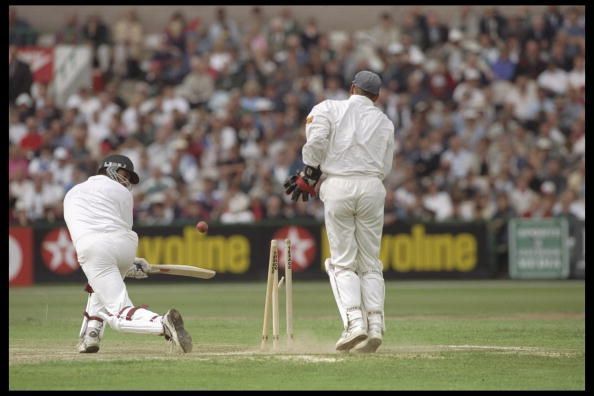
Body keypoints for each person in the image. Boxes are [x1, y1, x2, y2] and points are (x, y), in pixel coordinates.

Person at [284, 70, 395, 353]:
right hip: (372, 186)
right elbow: (385, 167)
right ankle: (376, 325)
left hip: (339, 187)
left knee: (342, 263)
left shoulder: (328, 108)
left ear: (352, 88)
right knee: (370, 262)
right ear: (377, 96)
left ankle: (354, 323)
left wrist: (309, 172)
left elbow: (317, 141)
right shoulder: (385, 122)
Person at [63, 154, 192, 354]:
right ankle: (91, 336)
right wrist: (129, 262)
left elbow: (87, 231)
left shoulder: (71, 193)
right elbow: (120, 230)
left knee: (119, 313)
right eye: (126, 174)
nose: (127, 181)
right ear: (110, 169)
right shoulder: (122, 193)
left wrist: (124, 263)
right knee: (99, 287)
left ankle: (163, 323)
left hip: (92, 246)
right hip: (125, 244)